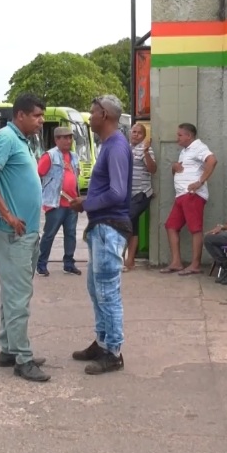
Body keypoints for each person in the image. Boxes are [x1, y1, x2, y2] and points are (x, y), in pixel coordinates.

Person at [0, 93, 50, 383]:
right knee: (19, 296)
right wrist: (7, 214)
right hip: (13, 233)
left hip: (26, 232)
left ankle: (9, 348)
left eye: (42, 116)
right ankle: (23, 359)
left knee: (14, 293)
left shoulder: (22, 141)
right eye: (36, 116)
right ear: (20, 115)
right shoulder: (6, 138)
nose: (41, 121)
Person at [70, 95, 134, 375]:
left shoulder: (116, 146)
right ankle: (103, 341)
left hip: (110, 226)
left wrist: (87, 203)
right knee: (97, 290)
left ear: (104, 115)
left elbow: (118, 192)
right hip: (102, 226)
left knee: (107, 291)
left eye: (93, 112)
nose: (90, 117)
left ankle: (113, 352)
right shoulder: (110, 145)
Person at [159, 123, 216, 276]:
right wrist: (174, 168)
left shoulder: (198, 147)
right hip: (181, 195)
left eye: (180, 135)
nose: (177, 138)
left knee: (195, 229)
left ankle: (195, 265)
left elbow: (212, 161)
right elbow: (181, 171)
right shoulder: (185, 151)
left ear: (189, 136)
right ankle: (176, 262)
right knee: (171, 226)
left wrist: (200, 182)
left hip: (192, 195)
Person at [36, 126, 82, 276]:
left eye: (70, 137)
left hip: (72, 203)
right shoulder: (49, 156)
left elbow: (76, 176)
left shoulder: (74, 156)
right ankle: (41, 264)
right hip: (55, 203)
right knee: (49, 234)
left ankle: (69, 264)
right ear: (57, 139)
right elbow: (37, 175)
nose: (69, 141)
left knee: (71, 234)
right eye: (65, 138)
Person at [124, 121, 156, 271]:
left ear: (144, 136)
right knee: (133, 226)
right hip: (128, 195)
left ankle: (120, 257)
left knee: (124, 222)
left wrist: (146, 153)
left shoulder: (146, 149)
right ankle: (130, 261)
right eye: (134, 132)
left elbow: (153, 169)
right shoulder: (126, 148)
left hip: (141, 194)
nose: (136, 135)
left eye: (139, 133)